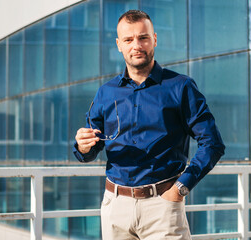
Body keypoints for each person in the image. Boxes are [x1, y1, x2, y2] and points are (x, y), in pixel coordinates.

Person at [73, 9, 225, 240]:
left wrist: (180, 188)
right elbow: (91, 150)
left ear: (154, 39)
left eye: (143, 37)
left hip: (163, 206)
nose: (137, 45)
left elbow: (212, 143)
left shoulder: (181, 87)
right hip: (115, 206)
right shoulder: (105, 92)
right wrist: (83, 147)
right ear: (119, 45)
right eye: (128, 39)